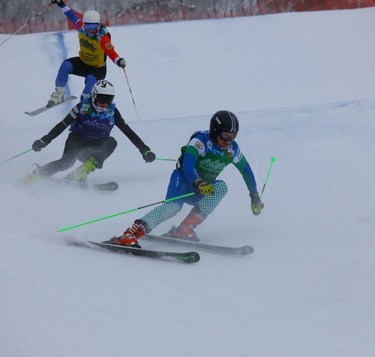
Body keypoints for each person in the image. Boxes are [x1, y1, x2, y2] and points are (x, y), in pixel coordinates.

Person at [109, 110, 264, 247]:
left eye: (233, 136)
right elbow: (188, 165)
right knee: (173, 208)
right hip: (183, 182)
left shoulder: (232, 149)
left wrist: (254, 195)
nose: (228, 140)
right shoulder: (200, 141)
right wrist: (198, 181)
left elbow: (246, 171)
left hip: (203, 189)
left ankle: (185, 229)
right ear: (215, 131)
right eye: (225, 135)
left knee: (221, 187)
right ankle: (130, 234)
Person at [21, 80, 155, 185]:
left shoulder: (112, 112)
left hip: (95, 148)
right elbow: (62, 125)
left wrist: (145, 150)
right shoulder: (82, 107)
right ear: (94, 96)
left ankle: (80, 173)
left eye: (108, 100)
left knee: (112, 142)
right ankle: (36, 175)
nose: (104, 104)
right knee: (65, 163)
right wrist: (44, 140)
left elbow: (128, 132)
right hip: (76, 142)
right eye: (101, 99)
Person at [47, 0, 127, 107]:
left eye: (94, 27)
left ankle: (85, 103)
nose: (91, 30)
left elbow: (110, 51)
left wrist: (118, 60)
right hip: (83, 63)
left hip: (97, 69)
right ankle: (59, 93)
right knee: (65, 65)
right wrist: (61, 4)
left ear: (99, 25)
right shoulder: (81, 28)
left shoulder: (102, 37)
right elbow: (71, 15)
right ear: (84, 25)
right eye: (88, 27)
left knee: (90, 81)